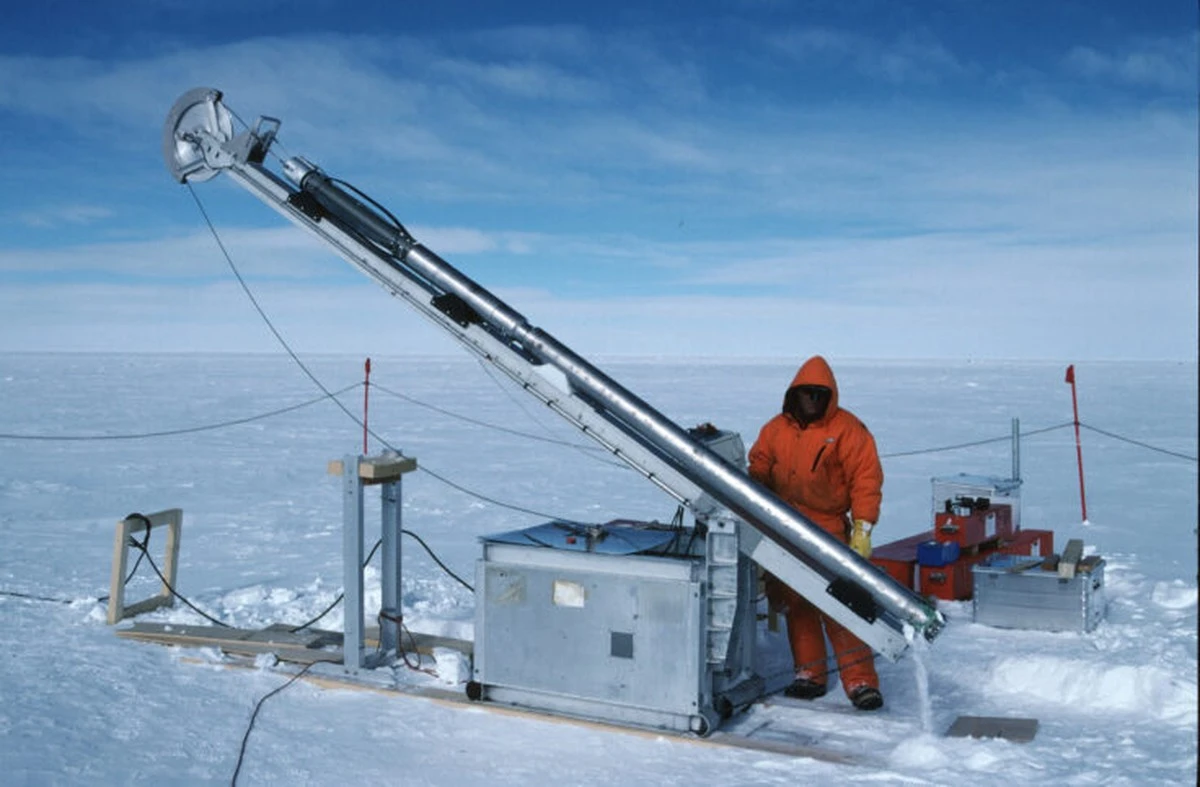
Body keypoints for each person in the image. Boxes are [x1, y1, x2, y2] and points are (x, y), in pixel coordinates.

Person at [748, 355, 885, 711]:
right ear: (794, 393)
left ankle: (861, 682)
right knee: (796, 603)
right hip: (784, 525)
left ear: (830, 396)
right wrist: (751, 485)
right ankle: (809, 674)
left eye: (819, 393)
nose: (812, 399)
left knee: (840, 605)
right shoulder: (774, 430)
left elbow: (866, 479)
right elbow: (758, 465)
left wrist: (863, 527)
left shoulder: (848, 430)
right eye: (806, 393)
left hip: (827, 528)